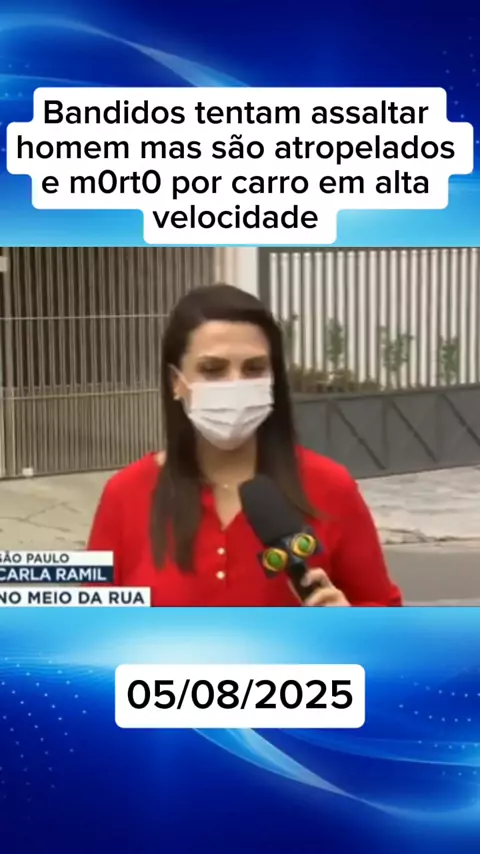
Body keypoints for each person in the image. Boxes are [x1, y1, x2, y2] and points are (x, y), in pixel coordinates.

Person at [87, 283, 402, 607]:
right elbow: (89, 626)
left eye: (254, 368)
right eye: (213, 369)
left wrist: (348, 623)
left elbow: (385, 615)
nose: (236, 384)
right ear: (176, 382)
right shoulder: (125, 495)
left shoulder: (330, 487)